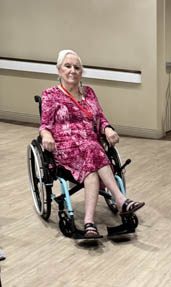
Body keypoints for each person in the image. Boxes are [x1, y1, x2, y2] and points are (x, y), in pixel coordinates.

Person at [39, 50, 144, 238]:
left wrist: (108, 129)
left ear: (82, 72)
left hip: (89, 148)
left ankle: (89, 223)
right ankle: (121, 200)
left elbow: (101, 118)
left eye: (77, 67)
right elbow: (45, 125)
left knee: (91, 161)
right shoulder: (50, 94)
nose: (72, 70)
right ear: (59, 69)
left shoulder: (89, 93)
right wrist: (46, 135)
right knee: (92, 148)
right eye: (68, 66)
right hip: (65, 148)